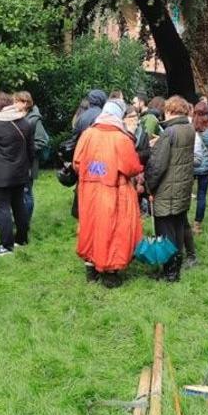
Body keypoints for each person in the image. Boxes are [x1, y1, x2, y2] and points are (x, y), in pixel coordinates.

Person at [74, 98, 143, 288]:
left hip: (89, 190)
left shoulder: (88, 134)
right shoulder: (121, 138)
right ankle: (110, 274)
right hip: (115, 191)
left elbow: (77, 162)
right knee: (113, 230)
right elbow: (131, 167)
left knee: (91, 226)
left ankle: (91, 269)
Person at [144, 96, 196, 282]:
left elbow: (157, 165)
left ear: (170, 111)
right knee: (178, 227)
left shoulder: (169, 133)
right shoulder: (189, 129)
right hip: (181, 188)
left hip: (167, 190)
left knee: (165, 232)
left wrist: (149, 186)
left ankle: (170, 273)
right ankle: (177, 265)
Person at [0, 92, 33, 256]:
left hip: (1, 173)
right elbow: (31, 150)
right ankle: (22, 239)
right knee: (19, 205)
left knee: (2, 208)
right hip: (20, 172)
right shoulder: (24, 121)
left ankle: (6, 245)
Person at [13, 91, 50, 225]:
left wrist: (25, 148)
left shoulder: (34, 119)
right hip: (18, 162)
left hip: (28, 163)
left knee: (26, 193)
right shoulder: (17, 117)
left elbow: (42, 141)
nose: (14, 104)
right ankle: (19, 221)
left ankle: (25, 224)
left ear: (25, 103)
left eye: (16, 101)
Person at [190, 102, 208, 237]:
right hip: (206, 167)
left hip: (191, 165)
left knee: (185, 193)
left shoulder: (190, 128)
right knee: (201, 196)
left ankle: (182, 221)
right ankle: (197, 224)